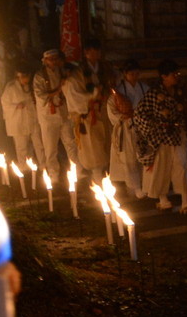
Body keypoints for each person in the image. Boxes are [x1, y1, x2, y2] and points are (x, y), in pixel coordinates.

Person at [135, 59, 187, 212]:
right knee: (161, 167)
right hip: (161, 136)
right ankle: (163, 199)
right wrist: (155, 126)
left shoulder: (181, 90)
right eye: (173, 74)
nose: (176, 76)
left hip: (179, 133)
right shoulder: (154, 93)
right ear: (164, 76)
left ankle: (185, 200)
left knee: (181, 164)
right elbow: (140, 114)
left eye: (177, 73)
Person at [65, 38, 112, 185]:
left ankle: (106, 178)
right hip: (88, 116)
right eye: (93, 51)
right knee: (93, 149)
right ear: (86, 53)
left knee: (107, 146)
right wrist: (92, 95)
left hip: (104, 113)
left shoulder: (105, 69)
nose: (96, 54)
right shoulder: (77, 74)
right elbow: (73, 94)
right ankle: (97, 179)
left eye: (98, 51)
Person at [32, 48, 77, 183]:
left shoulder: (63, 72)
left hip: (64, 113)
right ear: (45, 61)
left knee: (71, 143)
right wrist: (58, 90)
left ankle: (77, 172)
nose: (53, 61)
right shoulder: (39, 76)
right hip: (48, 117)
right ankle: (53, 175)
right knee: (50, 148)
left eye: (55, 59)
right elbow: (41, 96)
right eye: (51, 59)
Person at [109, 59, 147, 198]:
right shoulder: (118, 90)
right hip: (126, 126)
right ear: (125, 74)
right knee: (129, 158)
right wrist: (122, 116)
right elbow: (111, 109)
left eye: (136, 73)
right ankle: (134, 187)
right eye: (131, 73)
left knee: (144, 156)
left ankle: (144, 184)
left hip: (143, 126)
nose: (134, 76)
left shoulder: (144, 88)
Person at [0, 61, 44, 175]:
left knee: (38, 144)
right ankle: (24, 167)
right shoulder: (11, 88)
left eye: (27, 77)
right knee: (22, 146)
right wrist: (16, 106)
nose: (26, 80)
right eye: (24, 77)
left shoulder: (31, 87)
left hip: (32, 119)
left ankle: (43, 166)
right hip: (18, 121)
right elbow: (5, 103)